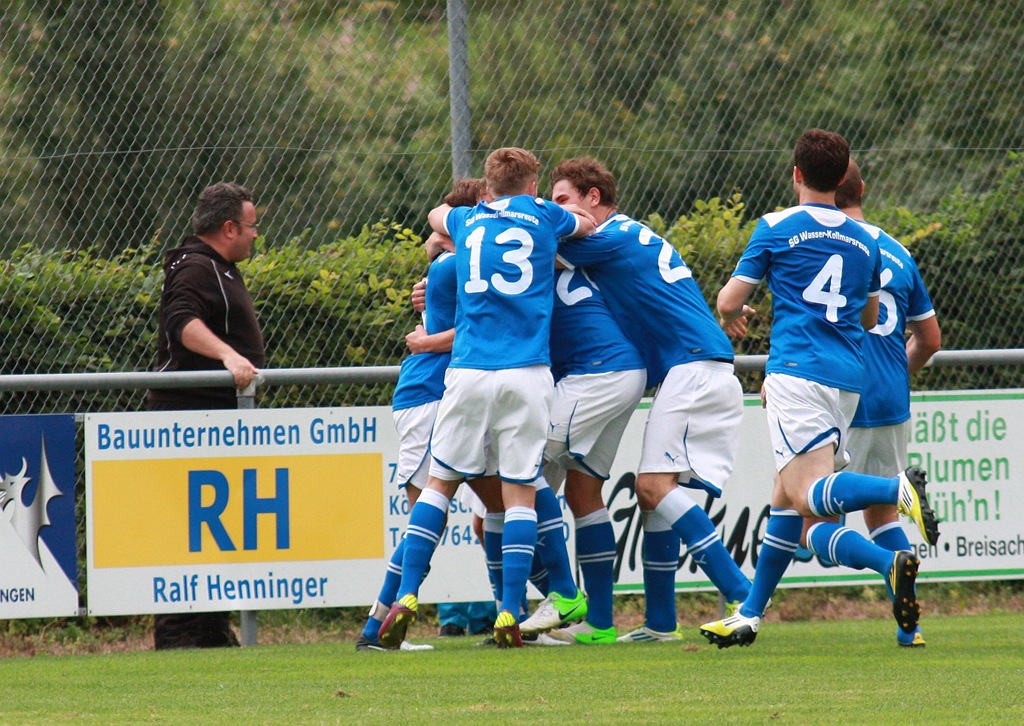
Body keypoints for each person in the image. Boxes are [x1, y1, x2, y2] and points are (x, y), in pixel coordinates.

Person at [701, 130, 940, 649]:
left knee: (806, 495)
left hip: (797, 372)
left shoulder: (776, 226)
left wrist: (735, 313)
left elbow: (728, 301)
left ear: (797, 174)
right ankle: (749, 614)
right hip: (848, 380)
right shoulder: (867, 241)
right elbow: (870, 317)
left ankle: (896, 494)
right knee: (786, 501)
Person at [377, 147, 596, 648]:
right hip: (526, 371)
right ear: (533, 185)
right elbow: (585, 225)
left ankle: (407, 594)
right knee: (520, 493)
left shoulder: (467, 221)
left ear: (490, 187)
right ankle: (509, 611)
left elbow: (436, 214)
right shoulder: (545, 215)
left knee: (439, 486)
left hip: (468, 371)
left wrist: (464, 218)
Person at [550, 156, 753, 643]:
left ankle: (745, 596)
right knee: (653, 498)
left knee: (653, 486)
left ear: (593, 198)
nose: (556, 211)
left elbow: (531, 247)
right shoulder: (630, 235)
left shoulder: (606, 237)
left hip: (693, 369)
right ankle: (661, 622)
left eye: (562, 200)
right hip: (695, 365)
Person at [354, 180, 488, 652]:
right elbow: (477, 328)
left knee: (485, 509)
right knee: (425, 522)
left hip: (440, 393)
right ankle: (377, 629)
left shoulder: (455, 264)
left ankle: (519, 613)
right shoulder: (457, 263)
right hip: (429, 394)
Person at [148, 181, 263, 649]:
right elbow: (182, 321)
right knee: (187, 527)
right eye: (251, 226)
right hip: (190, 416)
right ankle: (180, 636)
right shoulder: (196, 266)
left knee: (217, 529)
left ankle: (212, 627)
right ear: (229, 227)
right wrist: (229, 356)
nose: (256, 234)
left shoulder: (219, 268)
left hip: (215, 420)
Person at [837, 160, 942, 647]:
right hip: (892, 401)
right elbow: (930, 339)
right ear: (863, 189)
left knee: (808, 520)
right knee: (882, 517)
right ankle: (910, 629)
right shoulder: (898, 250)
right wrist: (897, 373)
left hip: (840, 394)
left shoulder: (824, 242)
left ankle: (887, 558)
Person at [521, 248, 647, 645]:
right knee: (583, 493)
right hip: (622, 371)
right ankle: (600, 624)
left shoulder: (525, 256)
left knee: (519, 474)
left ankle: (560, 597)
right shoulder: (569, 252)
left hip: (596, 374)